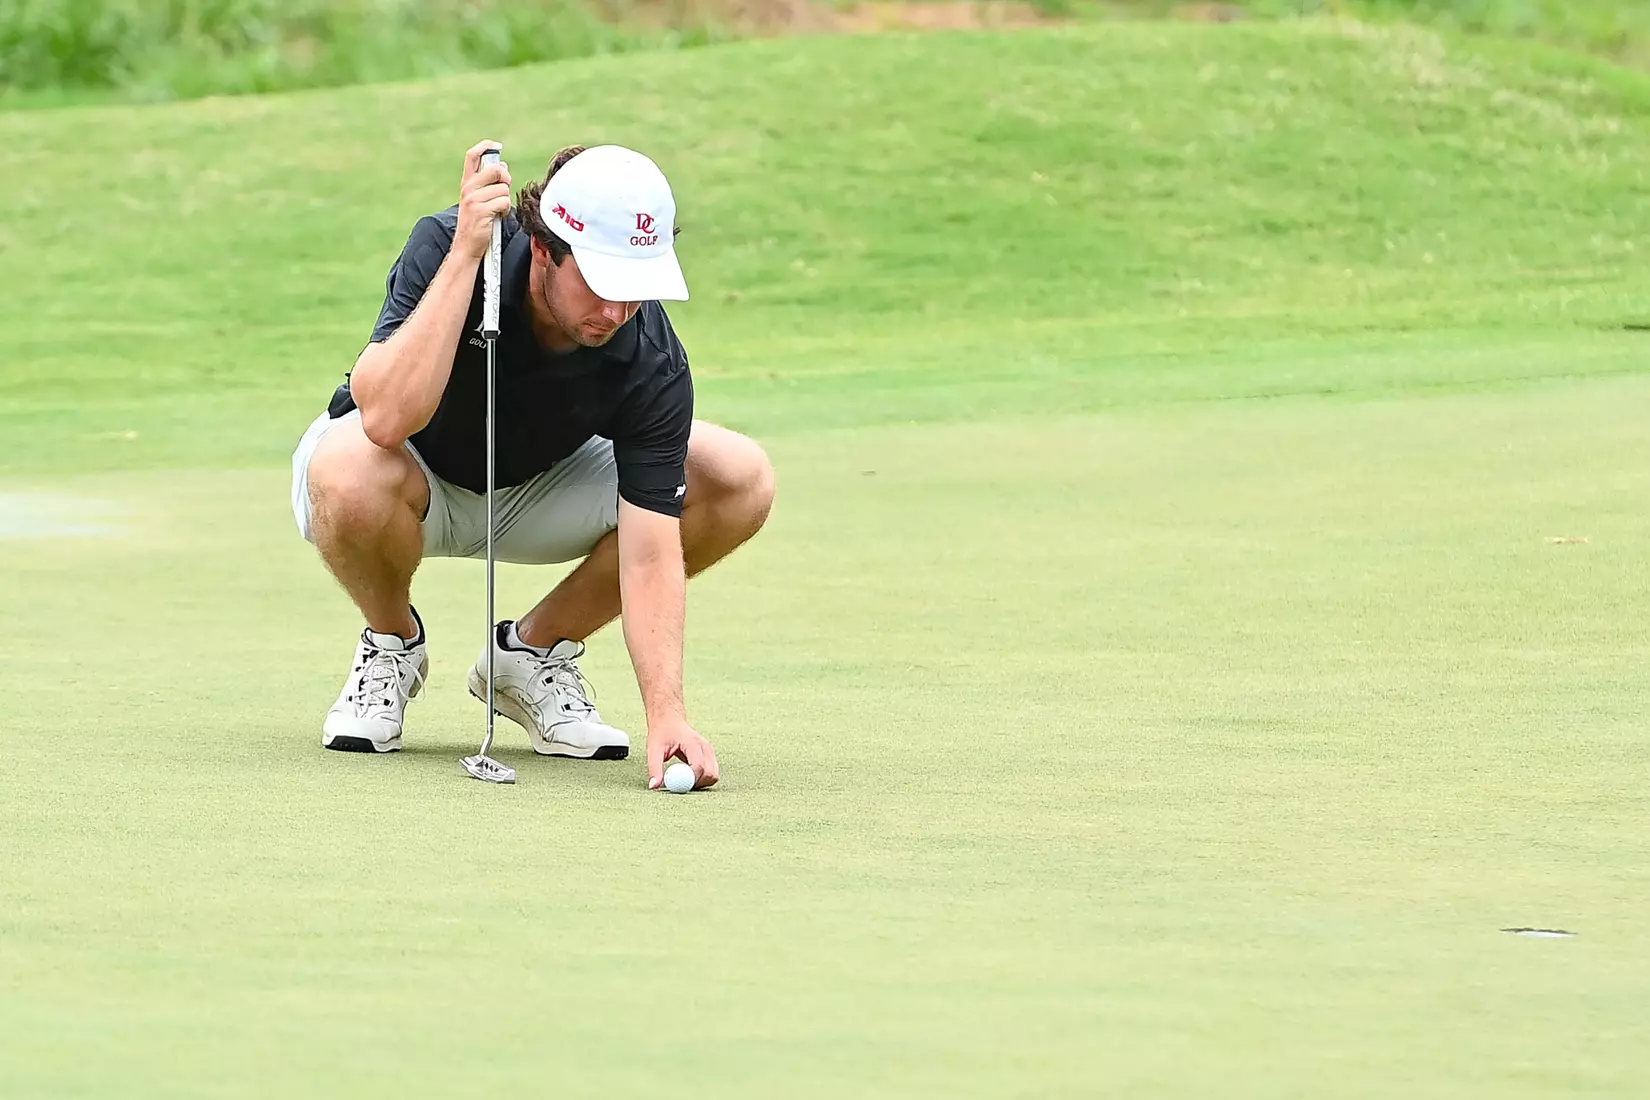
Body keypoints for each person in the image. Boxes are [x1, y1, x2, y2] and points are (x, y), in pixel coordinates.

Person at [288, 140, 774, 790]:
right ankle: (391, 644)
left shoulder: (647, 350)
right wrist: (465, 256)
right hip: (405, 479)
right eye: (603, 284)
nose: (617, 312)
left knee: (738, 476)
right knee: (346, 468)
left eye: (638, 287)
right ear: (545, 248)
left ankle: (529, 656)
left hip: (540, 488)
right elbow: (384, 420)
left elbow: (653, 552)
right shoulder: (448, 243)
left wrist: (668, 716)